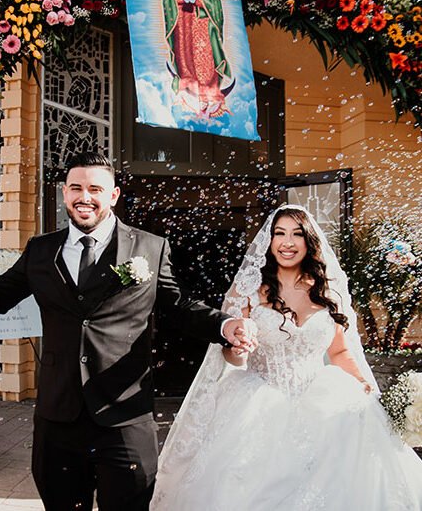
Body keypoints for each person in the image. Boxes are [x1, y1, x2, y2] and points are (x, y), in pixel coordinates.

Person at [0, 152, 255, 510]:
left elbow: (179, 305)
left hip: (125, 414)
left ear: (113, 195)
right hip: (58, 416)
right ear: (64, 193)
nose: (85, 197)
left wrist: (224, 324)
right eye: (76, 188)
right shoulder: (41, 250)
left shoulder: (150, 247)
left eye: (95, 189)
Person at [151, 205, 422, 510]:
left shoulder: (328, 290)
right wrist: (238, 349)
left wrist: (363, 384)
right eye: (279, 234)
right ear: (269, 241)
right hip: (259, 401)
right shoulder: (248, 289)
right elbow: (231, 354)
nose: (287, 242)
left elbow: (339, 351)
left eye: (297, 234)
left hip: (323, 400)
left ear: (309, 241)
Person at [163, 0, 235, 118]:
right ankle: (188, 85)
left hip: (202, 28)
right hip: (182, 27)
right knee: (184, 58)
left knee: (205, 61)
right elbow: (168, 2)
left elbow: (214, 5)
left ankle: (208, 91)